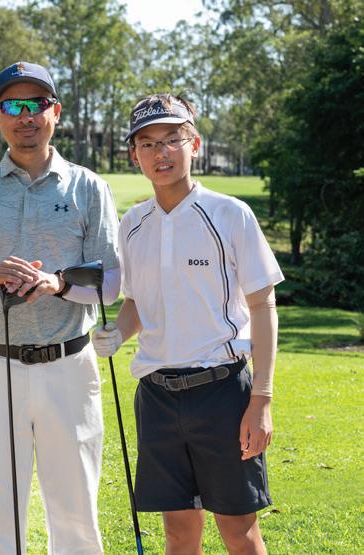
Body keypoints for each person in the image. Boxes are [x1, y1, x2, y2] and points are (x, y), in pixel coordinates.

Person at [0, 61, 121, 554]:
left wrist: (58, 284)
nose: (26, 116)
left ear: (55, 112)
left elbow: (110, 284)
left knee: (76, 510)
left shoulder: (88, 187)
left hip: (70, 365)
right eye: (13, 105)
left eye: (37, 104)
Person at [92, 93, 282, 554]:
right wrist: (119, 332)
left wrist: (261, 400)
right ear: (134, 155)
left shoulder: (230, 214)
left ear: (193, 144)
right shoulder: (133, 224)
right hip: (156, 397)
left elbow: (263, 306)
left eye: (171, 139)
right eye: (147, 143)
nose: (161, 153)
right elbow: (137, 301)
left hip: (223, 393)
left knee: (239, 530)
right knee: (178, 532)